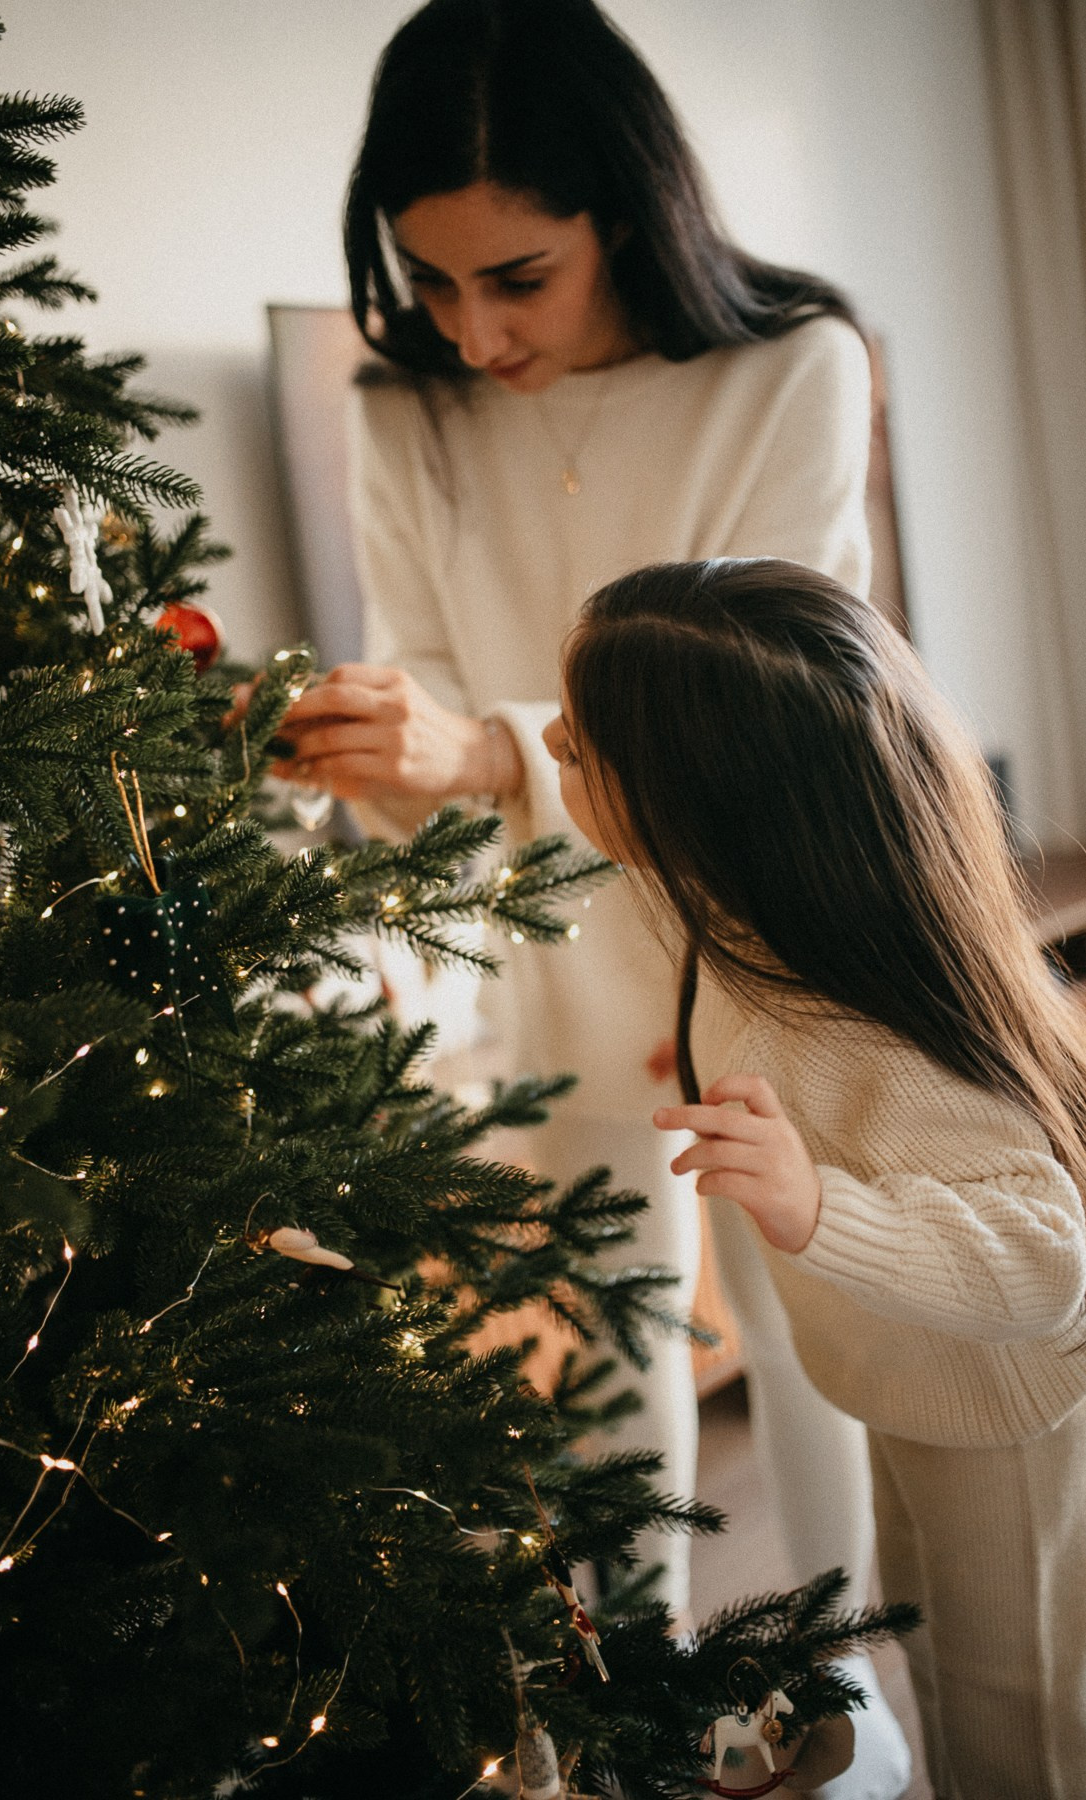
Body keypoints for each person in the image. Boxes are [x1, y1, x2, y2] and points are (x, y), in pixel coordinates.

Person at [280, 5, 909, 1791]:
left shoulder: (793, 369)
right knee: (603, 1334)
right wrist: (381, 745)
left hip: (771, 917)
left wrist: (480, 751)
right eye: (432, 281)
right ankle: (632, 1711)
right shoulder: (401, 402)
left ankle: (844, 1705)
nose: (475, 333)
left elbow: (762, 719)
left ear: (627, 212)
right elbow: (427, 678)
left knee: (820, 1337)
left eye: (520, 278)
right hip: (548, 922)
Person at [547, 555, 1086, 1799]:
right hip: (912, 1380)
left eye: (578, 752)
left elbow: (1050, 1254)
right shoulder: (749, 919)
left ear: (696, 796)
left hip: (995, 1402)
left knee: (1022, 1701)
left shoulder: (860, 1020)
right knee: (933, 1640)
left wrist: (818, 1206)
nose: (554, 755)